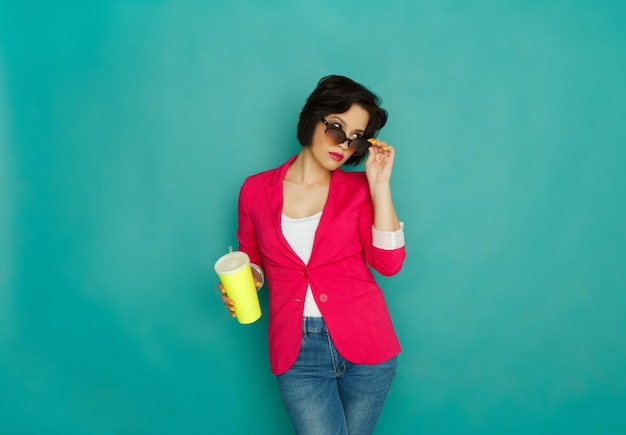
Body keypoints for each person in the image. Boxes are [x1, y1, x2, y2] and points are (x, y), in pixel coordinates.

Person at [218, 75, 406, 435]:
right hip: (297, 350)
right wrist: (243, 282)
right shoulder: (256, 190)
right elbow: (252, 258)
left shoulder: (359, 190)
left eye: (355, 139)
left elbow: (389, 263)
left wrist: (379, 186)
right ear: (313, 119)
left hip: (367, 342)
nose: (343, 146)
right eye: (337, 129)